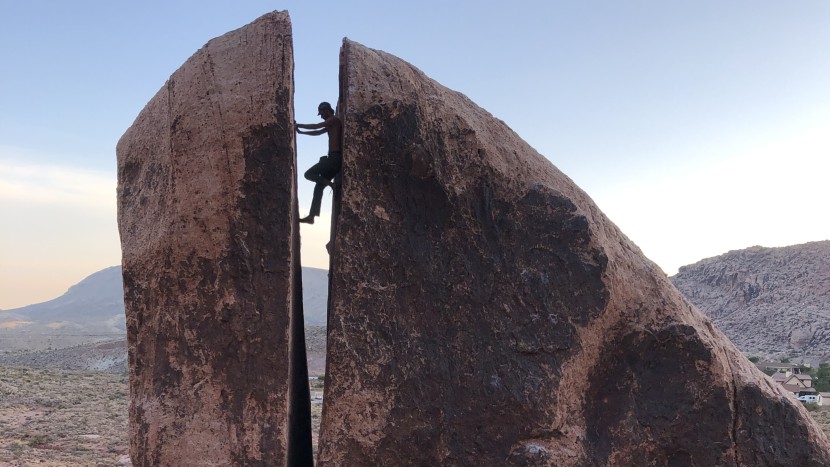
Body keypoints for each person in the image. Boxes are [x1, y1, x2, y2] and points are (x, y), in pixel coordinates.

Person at [296, 102, 342, 224]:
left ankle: (331, 185)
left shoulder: (334, 120)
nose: (321, 115)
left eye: (321, 113)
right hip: (332, 159)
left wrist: (297, 124)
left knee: (308, 174)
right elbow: (318, 132)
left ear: (326, 110)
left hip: (334, 159)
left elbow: (317, 126)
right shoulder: (331, 124)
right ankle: (311, 216)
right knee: (318, 187)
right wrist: (301, 132)